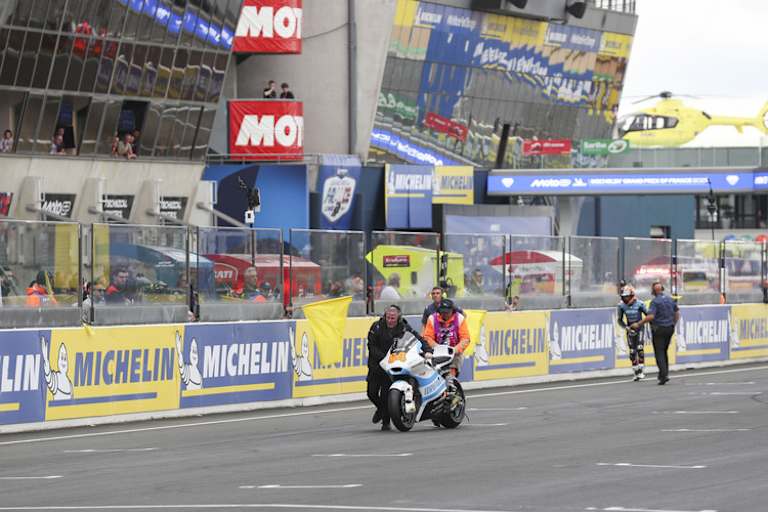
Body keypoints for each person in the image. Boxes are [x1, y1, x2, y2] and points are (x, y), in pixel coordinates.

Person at [367, 305, 420, 431]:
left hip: (393, 366)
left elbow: (417, 338)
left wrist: (427, 349)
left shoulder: (404, 327)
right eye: (388, 317)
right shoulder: (376, 327)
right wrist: (383, 358)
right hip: (377, 364)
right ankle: (381, 410)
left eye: (393, 318)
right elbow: (371, 345)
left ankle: (386, 422)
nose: (390, 320)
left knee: (386, 395)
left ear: (398, 318)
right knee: (371, 393)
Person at [636, 282, 679, 385]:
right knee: (664, 351)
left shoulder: (655, 302)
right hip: (669, 328)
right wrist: (673, 324)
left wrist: (639, 323)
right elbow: (677, 313)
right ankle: (664, 373)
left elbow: (651, 316)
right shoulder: (670, 299)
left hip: (659, 329)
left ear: (654, 291)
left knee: (659, 352)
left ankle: (663, 375)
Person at [422, 299, 470, 377]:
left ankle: (451, 379)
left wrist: (455, 349)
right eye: (443, 312)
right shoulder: (432, 318)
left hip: (454, 351)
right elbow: (427, 337)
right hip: (436, 350)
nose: (445, 314)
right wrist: (437, 348)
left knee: (456, 359)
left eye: (447, 312)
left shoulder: (460, 318)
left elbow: (465, 338)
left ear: (452, 311)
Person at [616, 285, 648, 381]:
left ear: (631, 296)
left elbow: (648, 315)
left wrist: (640, 323)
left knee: (640, 348)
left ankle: (641, 370)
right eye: (623, 297)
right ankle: (635, 371)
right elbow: (619, 320)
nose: (625, 299)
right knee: (632, 352)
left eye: (627, 297)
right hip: (630, 329)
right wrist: (626, 327)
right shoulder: (621, 306)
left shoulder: (640, 304)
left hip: (640, 328)